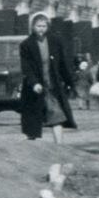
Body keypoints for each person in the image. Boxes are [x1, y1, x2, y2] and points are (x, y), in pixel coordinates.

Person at [19, 13, 78, 146]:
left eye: (44, 26)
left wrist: (70, 82)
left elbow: (63, 63)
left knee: (57, 115)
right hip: (36, 87)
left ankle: (59, 146)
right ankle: (31, 144)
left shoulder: (55, 41)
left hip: (52, 85)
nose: (41, 29)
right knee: (33, 117)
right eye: (38, 26)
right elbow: (26, 67)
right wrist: (34, 83)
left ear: (48, 27)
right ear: (32, 27)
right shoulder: (26, 44)